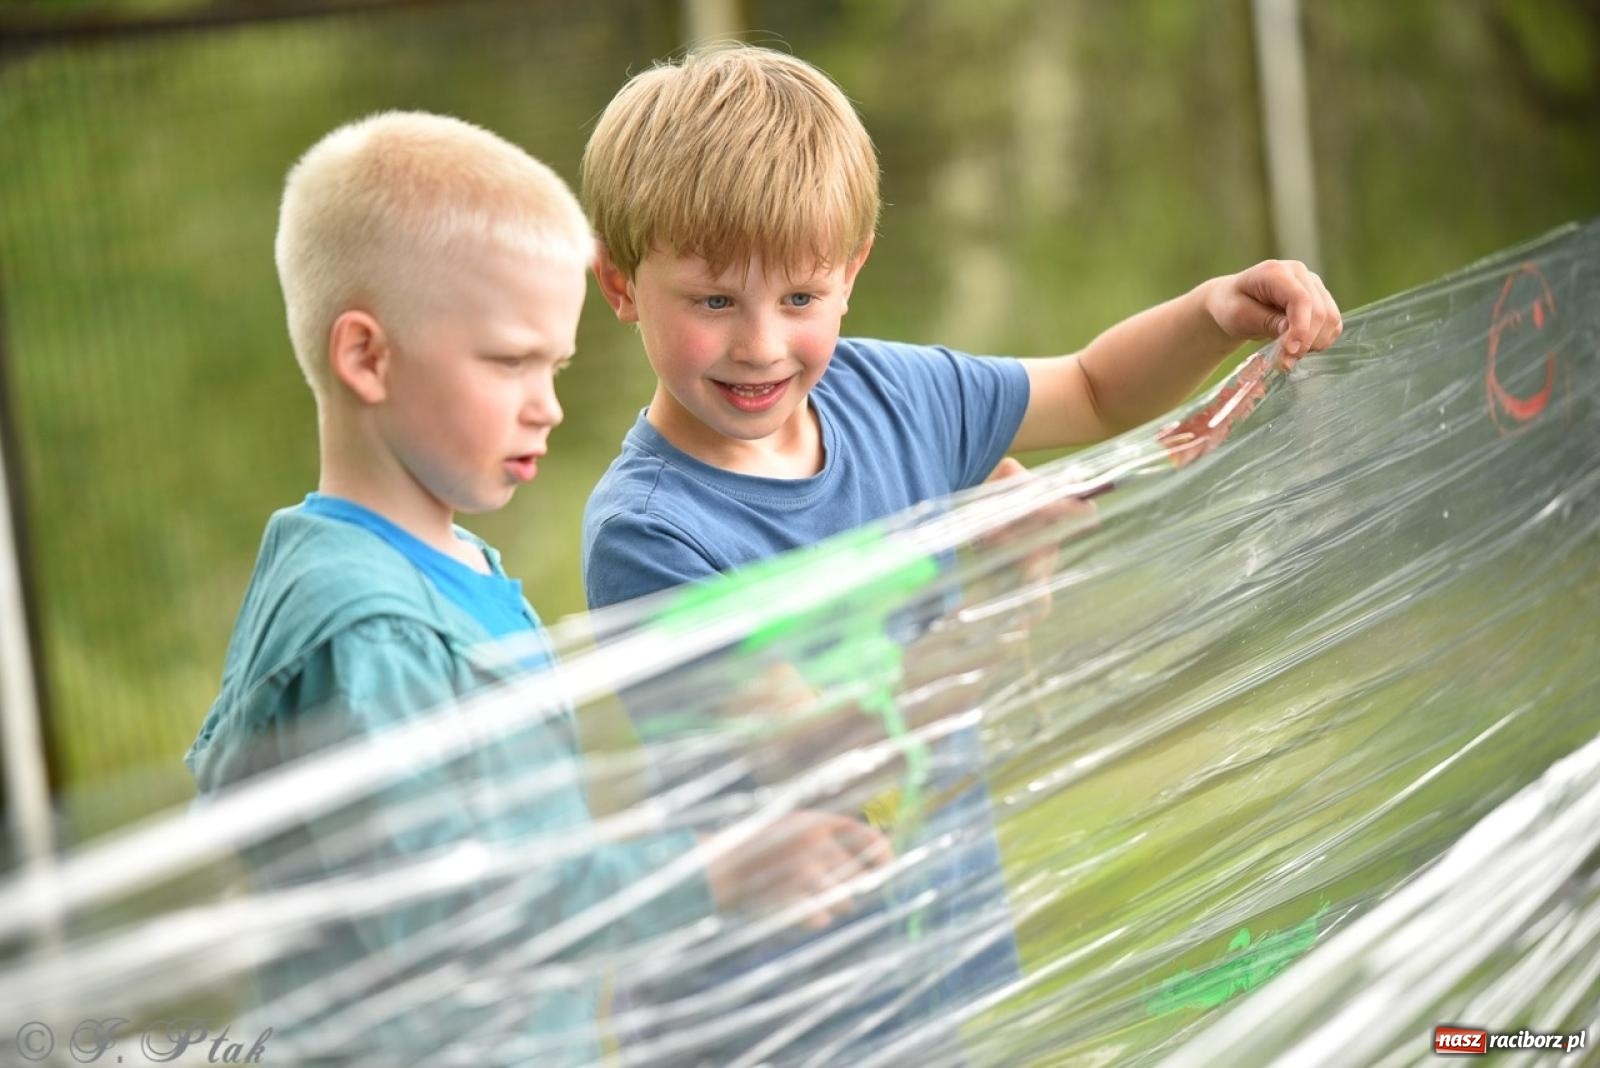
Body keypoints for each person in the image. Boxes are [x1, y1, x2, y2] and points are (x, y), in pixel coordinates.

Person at [578, 45, 1343, 1061]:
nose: (761, 344)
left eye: (800, 299)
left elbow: (1093, 388)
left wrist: (1210, 315)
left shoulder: (895, 398)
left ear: (849, 275)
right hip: (758, 1015)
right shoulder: (651, 533)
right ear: (622, 287)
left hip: (923, 954)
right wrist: (988, 602)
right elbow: (805, 748)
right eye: (714, 302)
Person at [184, 110, 889, 1067]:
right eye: (509, 361)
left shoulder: (441, 567)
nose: (547, 404)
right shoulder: (373, 632)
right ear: (367, 357)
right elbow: (465, 926)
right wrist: (720, 871)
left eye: (552, 366)